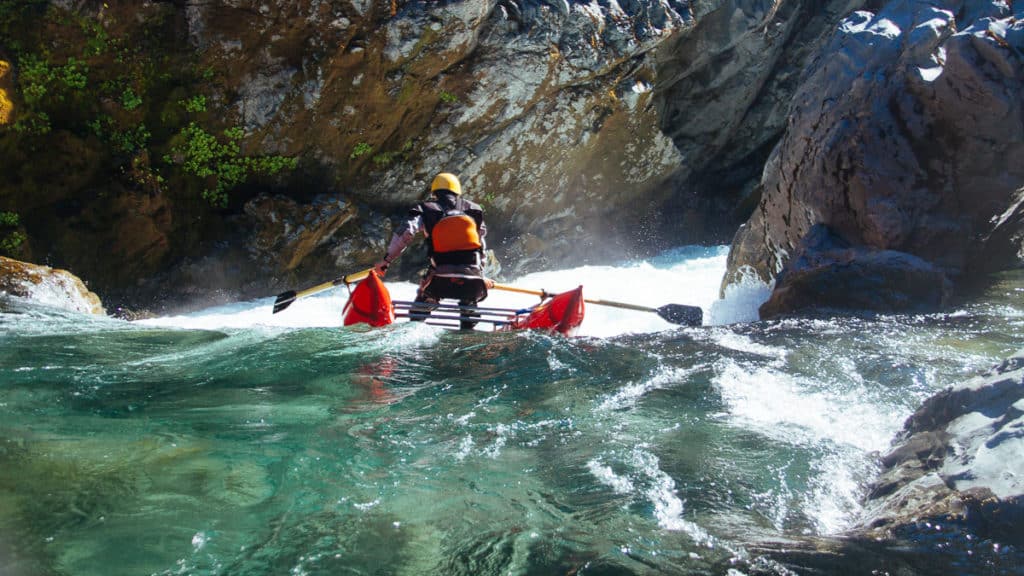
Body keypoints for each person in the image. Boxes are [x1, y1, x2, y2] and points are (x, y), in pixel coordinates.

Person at [375, 172, 492, 329]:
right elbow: (480, 245)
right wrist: (481, 276)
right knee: (469, 299)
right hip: (473, 280)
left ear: (434, 192)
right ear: (457, 191)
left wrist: (387, 260)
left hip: (439, 280)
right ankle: (468, 330)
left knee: (422, 305)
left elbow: (406, 232)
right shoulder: (474, 211)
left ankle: (417, 321)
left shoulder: (425, 209)